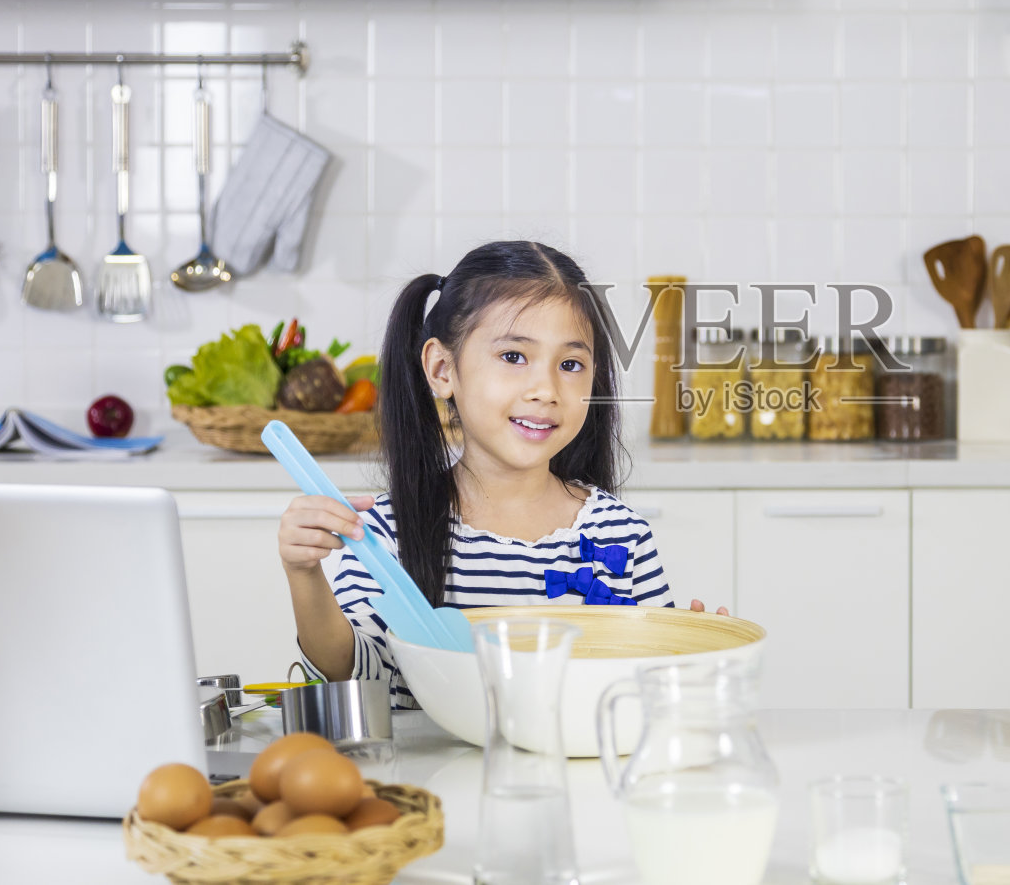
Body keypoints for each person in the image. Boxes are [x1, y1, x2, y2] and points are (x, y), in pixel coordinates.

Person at [278, 240, 723, 707]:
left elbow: (649, 688)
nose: (545, 389)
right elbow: (351, 671)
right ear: (442, 368)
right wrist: (303, 573)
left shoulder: (621, 533)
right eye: (513, 357)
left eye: (570, 364)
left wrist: (692, 658)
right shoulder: (386, 533)